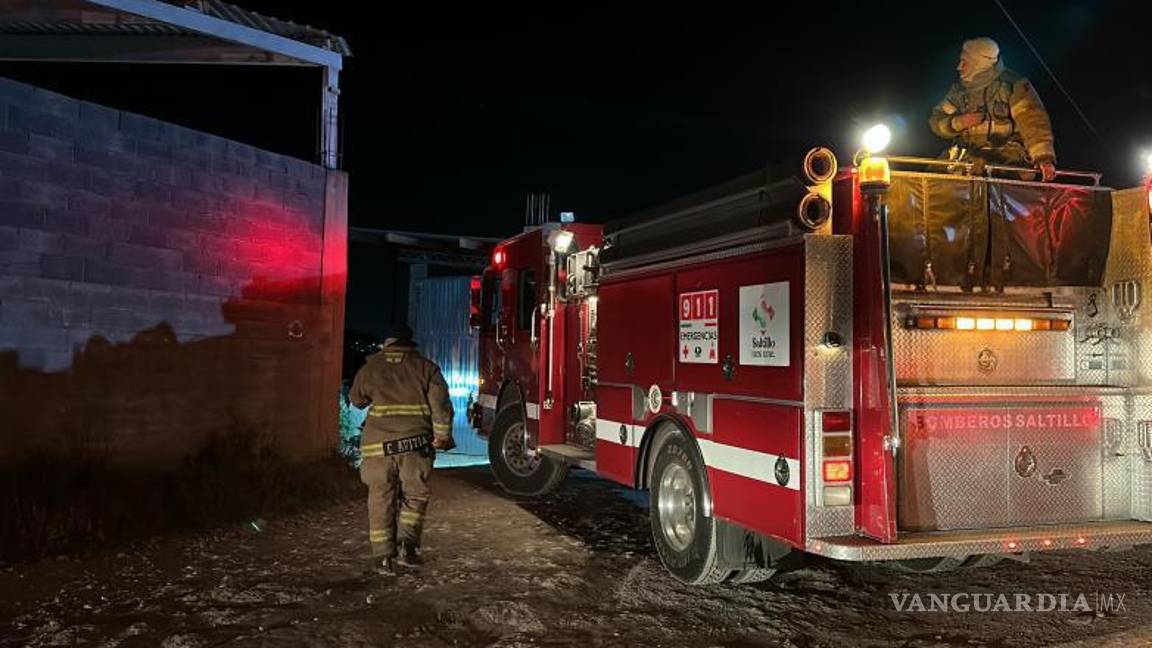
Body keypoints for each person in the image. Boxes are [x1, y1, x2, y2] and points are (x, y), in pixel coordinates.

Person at [349, 322, 455, 572]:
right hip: (416, 447)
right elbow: (441, 407)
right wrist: (441, 438)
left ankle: (383, 558)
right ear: (410, 343)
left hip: (377, 450)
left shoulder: (370, 368)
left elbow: (356, 400)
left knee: (379, 498)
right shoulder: (427, 368)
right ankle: (407, 548)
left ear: (387, 343)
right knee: (415, 497)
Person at [930, 37, 1057, 181]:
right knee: (933, 181)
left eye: (964, 62)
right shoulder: (958, 91)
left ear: (979, 64)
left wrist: (1044, 158)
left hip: (1005, 167)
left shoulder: (1013, 85)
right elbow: (936, 119)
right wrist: (957, 123)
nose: (958, 67)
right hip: (965, 163)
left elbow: (1033, 122)